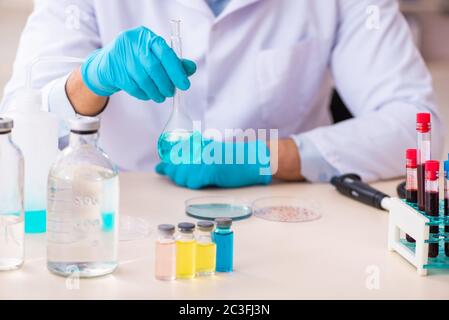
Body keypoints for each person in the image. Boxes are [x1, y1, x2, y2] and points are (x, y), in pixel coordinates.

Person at [1, 0, 444, 189]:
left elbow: (418, 124)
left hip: (285, 220)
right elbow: (16, 130)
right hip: (118, 217)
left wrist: (271, 158)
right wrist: (90, 82)